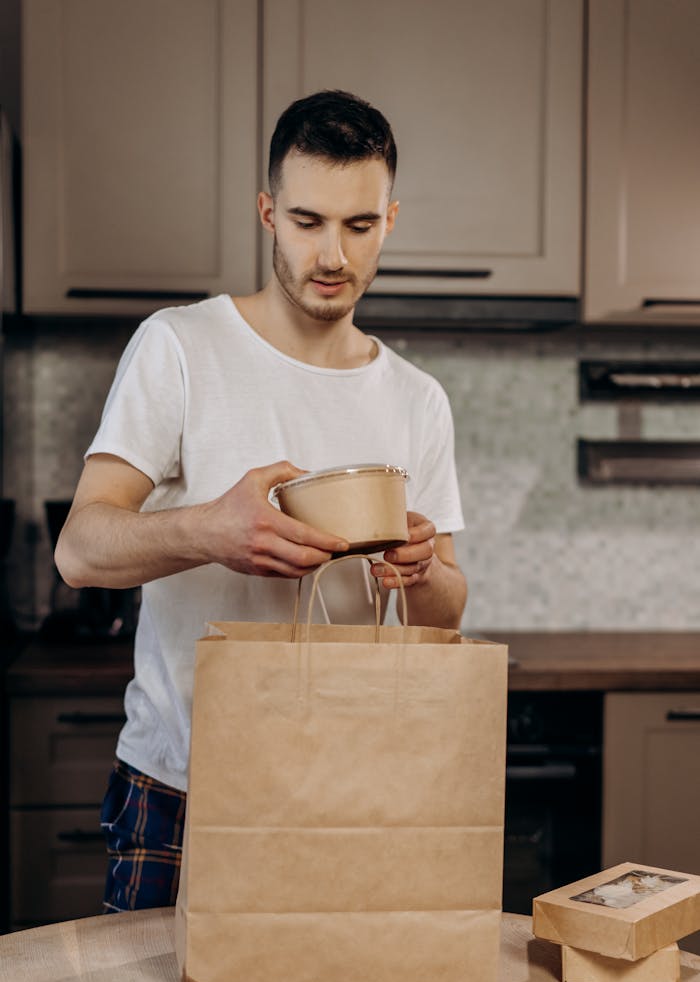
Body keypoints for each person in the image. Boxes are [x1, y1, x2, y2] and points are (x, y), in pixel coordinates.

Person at [55, 89, 467, 912]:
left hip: (347, 788)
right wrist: (211, 530)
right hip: (182, 790)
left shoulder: (418, 399)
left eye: (358, 226)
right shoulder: (179, 347)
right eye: (308, 221)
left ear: (390, 220)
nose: (332, 255)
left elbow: (444, 615)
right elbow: (79, 550)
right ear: (267, 213)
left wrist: (420, 571)